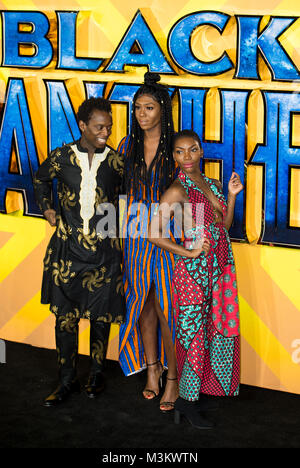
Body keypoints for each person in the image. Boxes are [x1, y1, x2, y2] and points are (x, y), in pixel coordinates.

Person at [33, 97, 125, 407]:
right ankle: (65, 380)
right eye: (100, 127)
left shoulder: (115, 161)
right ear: (83, 125)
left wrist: (114, 228)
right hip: (66, 254)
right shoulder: (61, 157)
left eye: (109, 127)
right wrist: (47, 209)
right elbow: (40, 179)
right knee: (65, 320)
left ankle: (96, 374)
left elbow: (125, 199)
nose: (106, 132)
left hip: (104, 255)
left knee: (100, 318)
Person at [148, 129, 243, 428]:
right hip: (192, 272)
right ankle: (185, 403)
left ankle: (196, 395)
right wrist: (187, 253)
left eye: (192, 150)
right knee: (193, 335)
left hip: (221, 266)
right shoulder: (177, 189)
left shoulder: (214, 184)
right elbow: (153, 233)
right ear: (173, 156)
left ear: (201, 152)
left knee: (215, 328)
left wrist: (230, 195)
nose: (186, 156)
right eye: (179, 151)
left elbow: (223, 225)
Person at [118, 72, 179, 412]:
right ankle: (152, 371)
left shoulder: (175, 147)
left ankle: (172, 378)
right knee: (143, 305)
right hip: (135, 234)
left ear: (163, 111)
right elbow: (123, 194)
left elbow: (189, 192)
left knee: (167, 307)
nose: (142, 114)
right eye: (138, 108)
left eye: (149, 108)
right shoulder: (128, 146)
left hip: (169, 233)